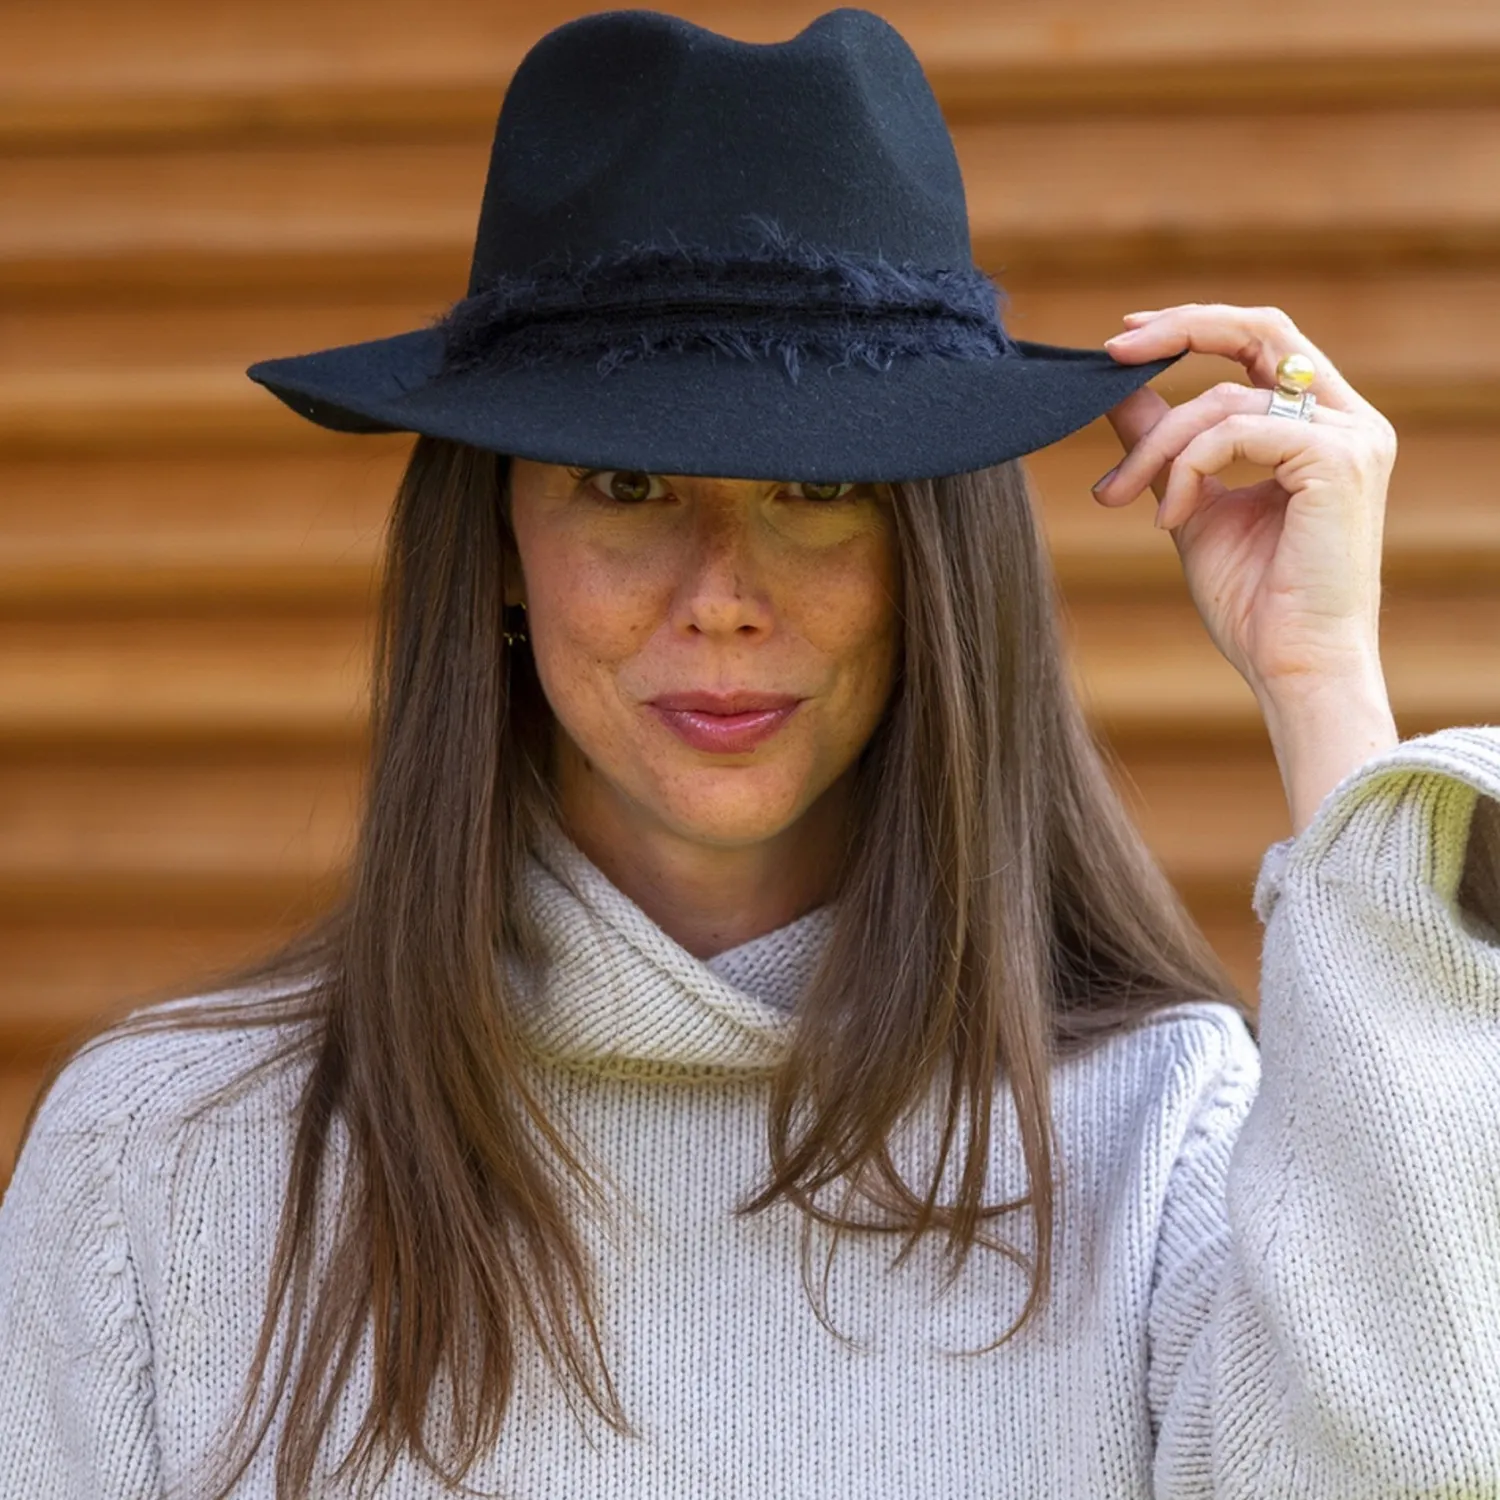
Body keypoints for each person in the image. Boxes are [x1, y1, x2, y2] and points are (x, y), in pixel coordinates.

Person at [2, 8, 1498, 1499]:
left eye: (813, 487)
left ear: (934, 560)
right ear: (502, 545)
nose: (722, 594)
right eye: (629, 482)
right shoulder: (164, 1161)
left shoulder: (1165, 1138)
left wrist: (1324, 691)